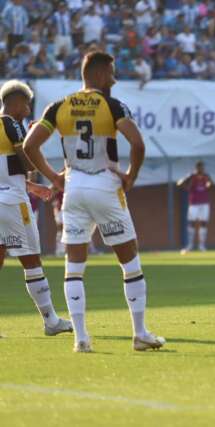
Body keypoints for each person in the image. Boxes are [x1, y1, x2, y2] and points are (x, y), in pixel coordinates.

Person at [23, 51, 165, 353]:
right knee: (130, 263)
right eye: (111, 73)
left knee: (73, 266)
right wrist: (130, 176)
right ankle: (139, 333)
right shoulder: (112, 106)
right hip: (105, 185)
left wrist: (54, 177)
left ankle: (81, 338)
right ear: (100, 74)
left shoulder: (58, 107)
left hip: (73, 188)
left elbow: (29, 144)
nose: (114, 79)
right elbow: (137, 143)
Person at [0, 79, 73, 336]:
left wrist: (31, 187)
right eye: (27, 103)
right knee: (31, 260)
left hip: (5, 196)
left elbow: (7, 170)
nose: (29, 108)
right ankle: (51, 320)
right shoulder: (10, 123)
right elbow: (26, 162)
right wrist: (29, 136)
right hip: (11, 204)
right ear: (15, 102)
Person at [177, 161, 213, 254]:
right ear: (196, 168)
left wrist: (209, 184)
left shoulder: (206, 176)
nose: (201, 169)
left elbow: (211, 184)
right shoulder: (191, 176)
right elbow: (179, 183)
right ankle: (190, 245)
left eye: (202, 167)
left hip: (204, 203)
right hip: (193, 203)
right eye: (199, 167)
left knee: (203, 223)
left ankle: (202, 246)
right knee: (192, 223)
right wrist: (187, 186)